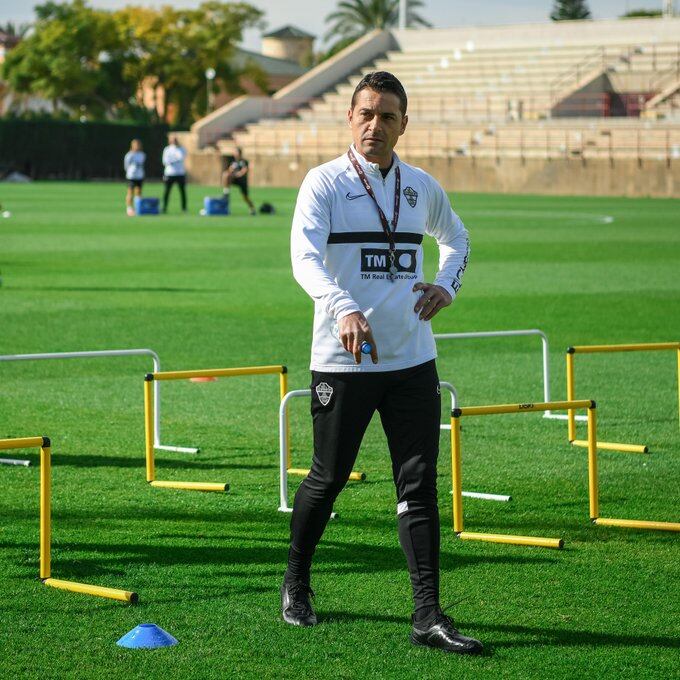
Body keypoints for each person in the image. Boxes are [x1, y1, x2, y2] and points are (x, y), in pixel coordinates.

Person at [285, 71, 481, 655]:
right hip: (344, 361)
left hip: (412, 359)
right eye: (366, 113)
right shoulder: (322, 184)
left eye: (388, 116)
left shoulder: (421, 186)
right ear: (349, 118)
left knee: (419, 488)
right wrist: (342, 306)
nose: (376, 125)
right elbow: (303, 257)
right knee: (328, 478)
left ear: (403, 124)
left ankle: (428, 616)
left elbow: (458, 238)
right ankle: (296, 580)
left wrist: (446, 284)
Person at [222, 147, 256, 215]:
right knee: (226, 175)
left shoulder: (244, 161)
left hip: (242, 180)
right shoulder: (233, 162)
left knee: (245, 197)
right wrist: (230, 172)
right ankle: (226, 191)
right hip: (234, 179)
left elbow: (244, 171)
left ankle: (252, 208)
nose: (235, 154)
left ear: (240, 153)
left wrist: (237, 174)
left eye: (236, 152)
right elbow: (229, 170)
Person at [162, 136, 187, 213]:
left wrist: (174, 160)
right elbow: (165, 161)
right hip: (169, 173)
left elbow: (182, 157)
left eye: (176, 140)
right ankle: (164, 208)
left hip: (180, 173)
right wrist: (174, 160)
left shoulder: (182, 149)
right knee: (167, 191)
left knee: (182, 192)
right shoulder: (167, 149)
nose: (174, 141)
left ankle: (184, 208)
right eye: (173, 140)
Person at [124, 139, 145, 217]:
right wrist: (130, 172)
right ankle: (129, 208)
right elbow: (126, 166)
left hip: (139, 176)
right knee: (130, 192)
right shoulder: (129, 155)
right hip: (131, 176)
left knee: (138, 192)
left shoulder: (142, 154)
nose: (137, 146)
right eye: (135, 145)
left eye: (138, 145)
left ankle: (138, 209)